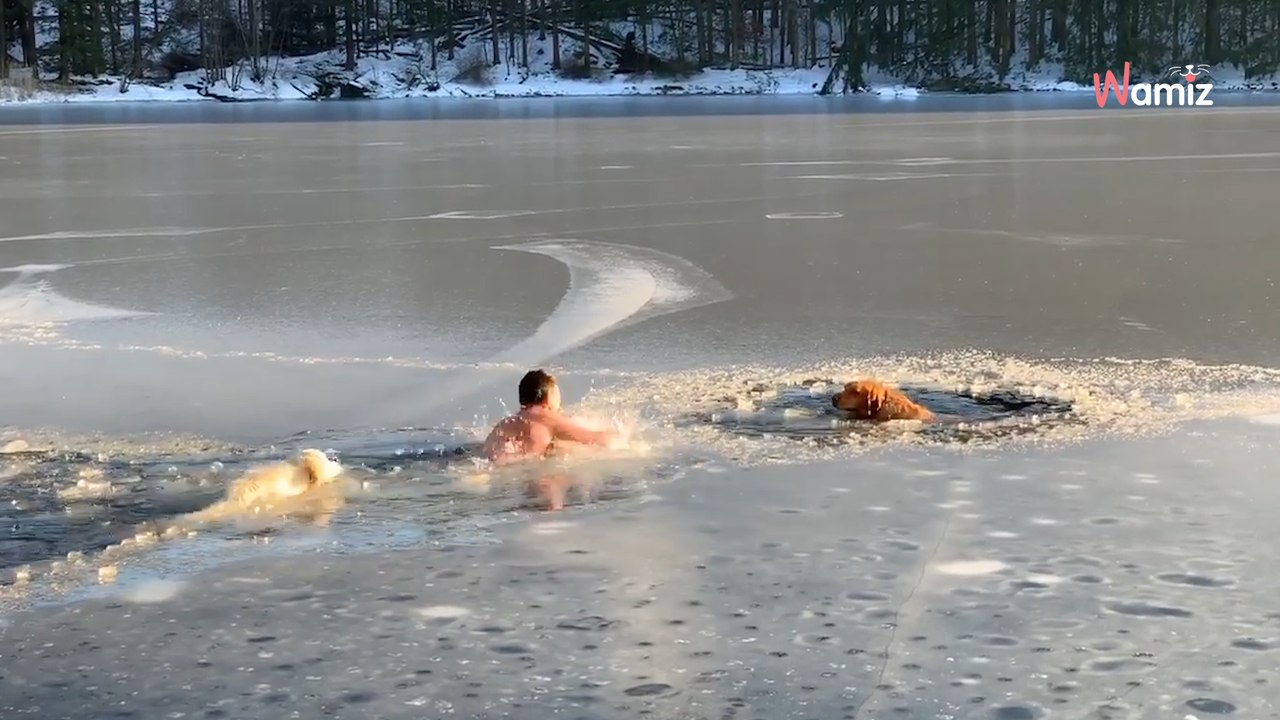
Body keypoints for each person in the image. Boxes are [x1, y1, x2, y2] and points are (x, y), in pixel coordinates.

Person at [482, 369, 619, 467]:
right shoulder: (547, 418)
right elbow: (598, 440)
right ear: (548, 399)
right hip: (525, 471)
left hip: (494, 467)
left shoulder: (507, 422)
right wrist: (616, 434)